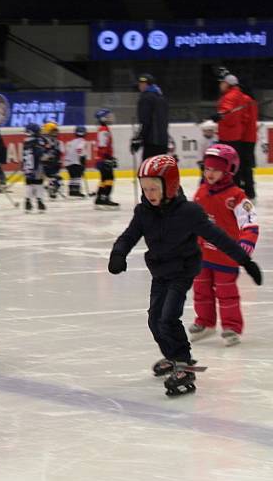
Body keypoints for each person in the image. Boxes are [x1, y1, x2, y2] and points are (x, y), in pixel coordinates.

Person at [107, 154, 262, 397]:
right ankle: (172, 356)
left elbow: (218, 237)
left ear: (169, 185)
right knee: (154, 319)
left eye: (155, 188)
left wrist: (245, 261)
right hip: (160, 271)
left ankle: (184, 364)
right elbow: (129, 236)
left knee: (168, 318)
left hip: (182, 270)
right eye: (145, 188)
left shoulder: (189, 212)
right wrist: (118, 254)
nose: (149, 194)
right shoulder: (144, 212)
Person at [190, 144, 259, 346]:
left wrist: (244, 246)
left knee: (226, 293)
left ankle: (231, 327)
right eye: (207, 168)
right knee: (201, 290)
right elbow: (192, 221)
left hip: (226, 256)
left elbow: (250, 224)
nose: (210, 173)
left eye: (216, 169)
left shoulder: (237, 197)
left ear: (229, 170)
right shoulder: (201, 192)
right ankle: (205, 322)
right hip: (202, 254)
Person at [212, 73, 256, 199]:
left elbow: (237, 116)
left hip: (236, 136)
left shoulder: (234, 96)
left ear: (227, 83)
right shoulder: (244, 97)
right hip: (243, 136)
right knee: (241, 165)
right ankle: (247, 189)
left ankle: (238, 189)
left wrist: (220, 115)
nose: (220, 85)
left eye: (221, 82)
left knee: (236, 165)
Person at [130, 73, 169, 160]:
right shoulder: (161, 97)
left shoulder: (145, 98)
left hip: (152, 142)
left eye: (140, 84)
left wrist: (139, 138)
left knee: (148, 171)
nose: (139, 87)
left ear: (145, 84)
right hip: (163, 142)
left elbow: (145, 121)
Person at [94, 108, 119, 210]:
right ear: (103, 118)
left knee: (104, 179)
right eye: (108, 116)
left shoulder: (103, 129)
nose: (111, 118)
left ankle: (99, 197)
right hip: (103, 159)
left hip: (102, 158)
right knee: (109, 178)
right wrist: (108, 158)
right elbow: (102, 145)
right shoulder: (104, 130)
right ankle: (105, 197)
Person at [22, 123, 45, 213]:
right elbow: (40, 153)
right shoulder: (38, 141)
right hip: (37, 165)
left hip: (27, 165)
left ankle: (27, 202)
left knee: (29, 183)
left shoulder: (26, 141)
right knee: (39, 183)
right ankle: (39, 201)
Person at [40, 122, 63, 199]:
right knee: (55, 178)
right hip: (46, 164)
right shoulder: (43, 140)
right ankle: (51, 188)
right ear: (48, 131)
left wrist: (58, 160)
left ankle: (51, 187)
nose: (55, 133)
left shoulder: (55, 140)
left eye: (56, 131)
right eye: (53, 131)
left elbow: (57, 152)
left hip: (52, 163)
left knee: (57, 178)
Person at [64, 125, 88, 198]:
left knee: (72, 176)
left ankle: (72, 190)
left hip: (68, 162)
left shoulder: (71, 142)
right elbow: (79, 149)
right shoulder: (83, 141)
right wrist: (82, 159)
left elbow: (67, 150)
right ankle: (76, 191)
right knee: (77, 176)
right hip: (76, 161)